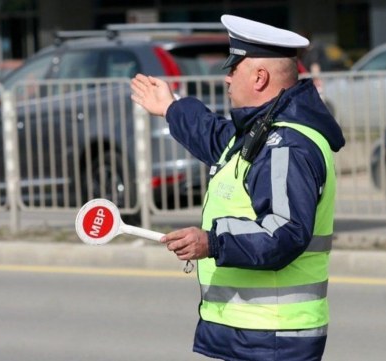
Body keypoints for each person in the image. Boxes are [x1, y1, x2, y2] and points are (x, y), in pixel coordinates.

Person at [131, 14, 345, 361]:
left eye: (234, 68)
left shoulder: (285, 146)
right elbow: (218, 140)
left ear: (259, 77)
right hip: (256, 333)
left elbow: (285, 232)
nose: (227, 77)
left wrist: (211, 241)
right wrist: (171, 108)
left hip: (272, 336)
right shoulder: (263, 132)